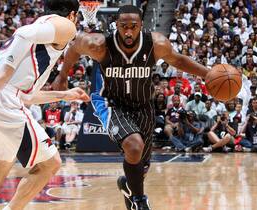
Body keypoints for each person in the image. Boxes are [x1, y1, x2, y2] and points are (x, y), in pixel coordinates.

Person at [52, 5, 210, 210]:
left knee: (140, 167)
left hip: (143, 106)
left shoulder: (156, 44)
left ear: (141, 26)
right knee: (134, 146)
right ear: (115, 25)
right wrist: (63, 75)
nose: (128, 31)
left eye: (133, 27)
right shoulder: (99, 45)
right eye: (123, 26)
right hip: (110, 102)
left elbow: (178, 60)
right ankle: (139, 201)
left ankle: (128, 186)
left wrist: (208, 74)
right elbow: (74, 48)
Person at [0, 1, 89, 210]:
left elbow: (26, 97)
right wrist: (2, 78)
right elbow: (23, 33)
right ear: (72, 14)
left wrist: (64, 94)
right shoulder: (66, 26)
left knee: (5, 156)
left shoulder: (42, 28)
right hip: (0, 92)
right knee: (49, 164)